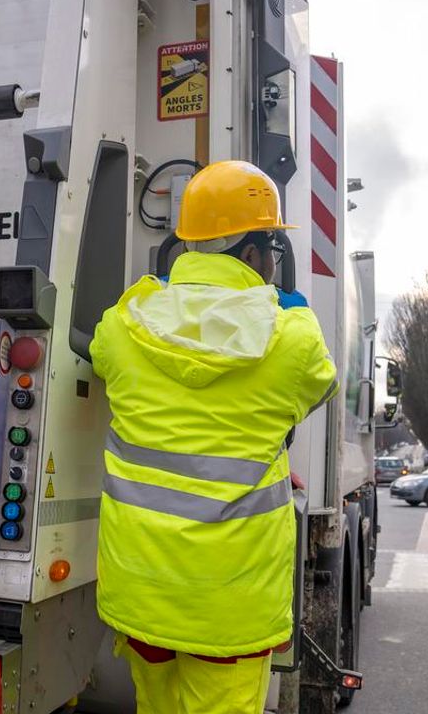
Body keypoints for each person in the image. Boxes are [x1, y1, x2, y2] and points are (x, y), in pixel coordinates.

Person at [89, 160, 338, 713]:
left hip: (141, 584)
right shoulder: (292, 338)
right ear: (254, 250)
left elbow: (104, 355)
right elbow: (320, 386)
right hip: (231, 601)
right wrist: (290, 313)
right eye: (271, 249)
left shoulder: (126, 323)